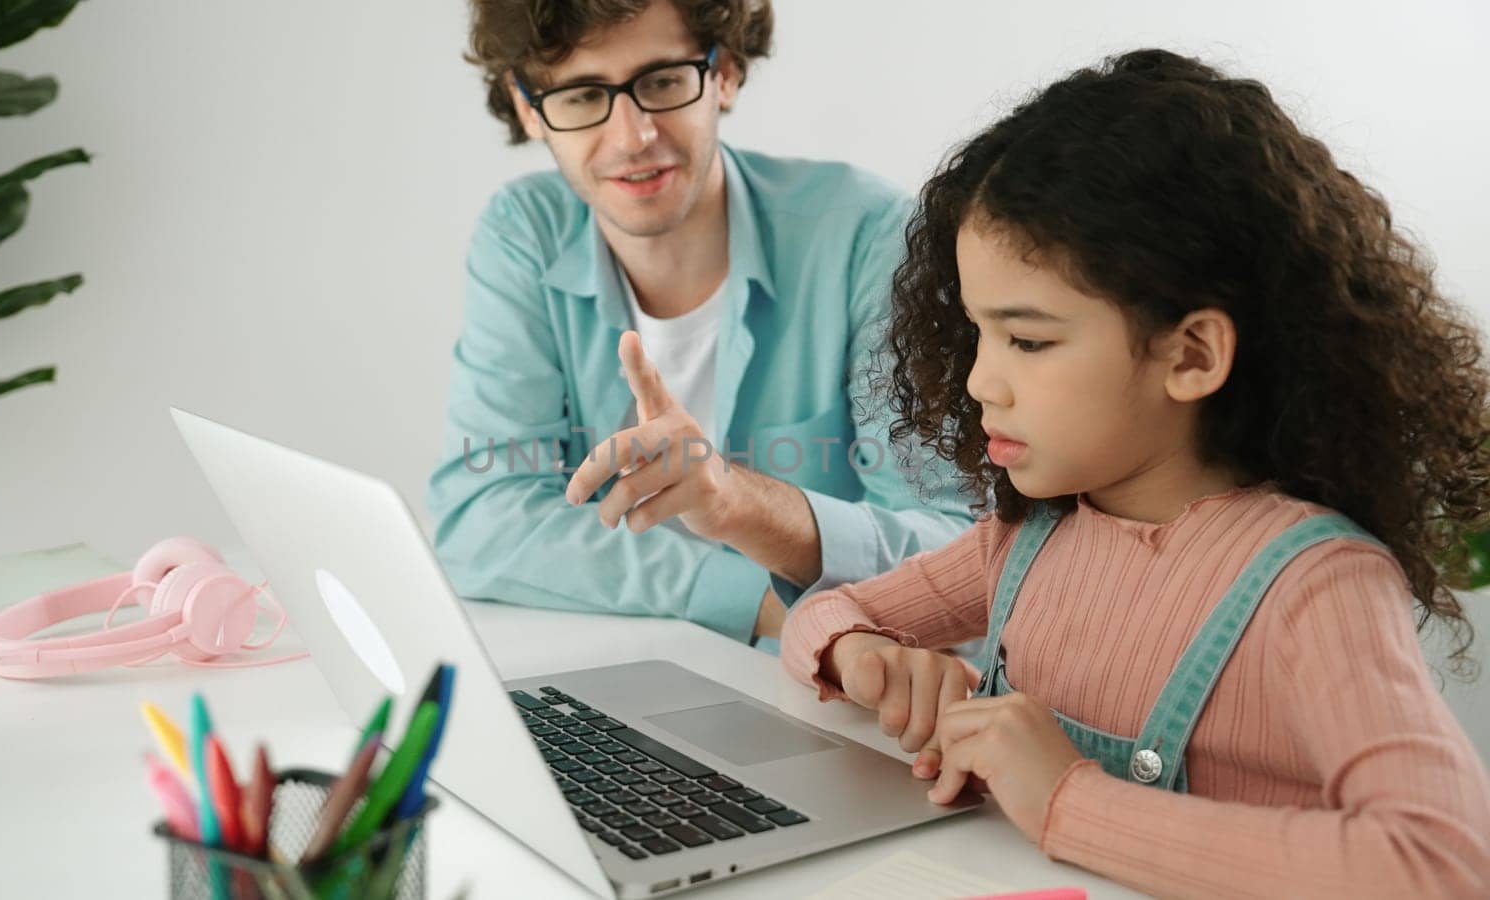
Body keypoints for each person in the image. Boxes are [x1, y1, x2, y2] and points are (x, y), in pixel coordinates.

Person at [781, 49, 1490, 897]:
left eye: (1029, 340)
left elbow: (1442, 863)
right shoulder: (1028, 541)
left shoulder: (1314, 587)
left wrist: (1066, 801)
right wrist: (864, 656)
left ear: (1190, 355)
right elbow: (828, 610)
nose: (977, 380)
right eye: (978, 332)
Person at [427, 0, 975, 644]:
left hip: (848, 692)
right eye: (580, 95)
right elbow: (480, 519)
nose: (632, 137)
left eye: (662, 82)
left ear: (726, 72)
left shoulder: (866, 234)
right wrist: (758, 604)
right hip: (626, 662)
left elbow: (955, 554)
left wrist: (739, 505)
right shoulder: (526, 232)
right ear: (527, 106)